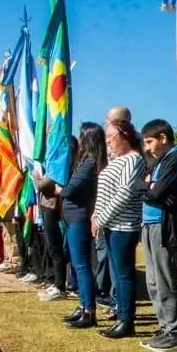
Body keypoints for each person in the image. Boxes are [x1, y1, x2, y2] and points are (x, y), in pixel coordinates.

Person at [136, 119, 177, 352]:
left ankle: (175, 332)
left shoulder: (176, 157)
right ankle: (164, 325)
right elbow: (140, 187)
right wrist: (148, 187)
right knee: (152, 280)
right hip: (148, 224)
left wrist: (151, 188)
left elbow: (158, 192)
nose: (147, 148)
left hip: (163, 226)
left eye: (150, 142)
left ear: (163, 138)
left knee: (165, 278)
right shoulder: (157, 161)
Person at [93, 118, 146, 339]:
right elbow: (104, 193)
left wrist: (101, 218)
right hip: (110, 225)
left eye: (111, 138)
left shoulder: (133, 160)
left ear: (124, 136)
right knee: (117, 273)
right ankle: (120, 314)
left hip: (123, 226)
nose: (109, 143)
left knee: (124, 275)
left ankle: (126, 320)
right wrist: (96, 216)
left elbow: (124, 194)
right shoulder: (116, 160)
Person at [60, 124, 107, 329]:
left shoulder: (90, 163)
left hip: (79, 217)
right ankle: (82, 306)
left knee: (81, 265)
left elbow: (70, 190)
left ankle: (89, 310)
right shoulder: (84, 161)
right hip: (73, 217)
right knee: (77, 263)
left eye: (81, 136)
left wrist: (59, 189)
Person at [33, 167, 66, 302]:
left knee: (56, 248)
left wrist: (35, 174)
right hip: (47, 207)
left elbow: (41, 185)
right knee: (52, 248)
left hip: (53, 208)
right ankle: (56, 283)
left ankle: (59, 286)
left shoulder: (57, 169)